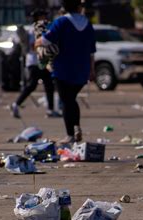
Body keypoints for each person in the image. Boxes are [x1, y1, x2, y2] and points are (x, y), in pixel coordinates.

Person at [36, 0, 96, 144]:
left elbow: (45, 41)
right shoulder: (87, 24)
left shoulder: (61, 22)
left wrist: (36, 42)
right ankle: (76, 129)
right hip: (82, 68)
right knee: (71, 99)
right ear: (79, 7)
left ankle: (70, 134)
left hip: (62, 68)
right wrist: (92, 70)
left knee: (67, 101)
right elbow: (92, 51)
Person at [10, 10, 59, 119]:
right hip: (34, 62)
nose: (44, 18)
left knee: (49, 85)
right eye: (42, 16)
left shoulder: (42, 28)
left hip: (42, 61)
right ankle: (16, 104)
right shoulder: (35, 29)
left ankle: (50, 109)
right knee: (32, 85)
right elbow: (34, 45)